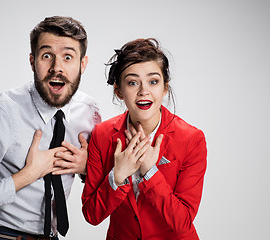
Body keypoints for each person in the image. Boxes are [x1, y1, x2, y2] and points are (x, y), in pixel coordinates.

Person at [0, 16, 101, 240]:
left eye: (68, 57)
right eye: (47, 56)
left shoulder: (89, 111)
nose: (56, 68)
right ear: (32, 61)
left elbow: (96, 184)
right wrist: (27, 175)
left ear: (83, 64)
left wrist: (87, 168)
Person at [82, 38, 207, 239]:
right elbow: (91, 214)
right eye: (132, 82)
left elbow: (183, 222)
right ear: (119, 91)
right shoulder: (102, 135)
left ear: (165, 87)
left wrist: (150, 172)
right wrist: (118, 176)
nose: (143, 91)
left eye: (153, 81)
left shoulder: (192, 139)